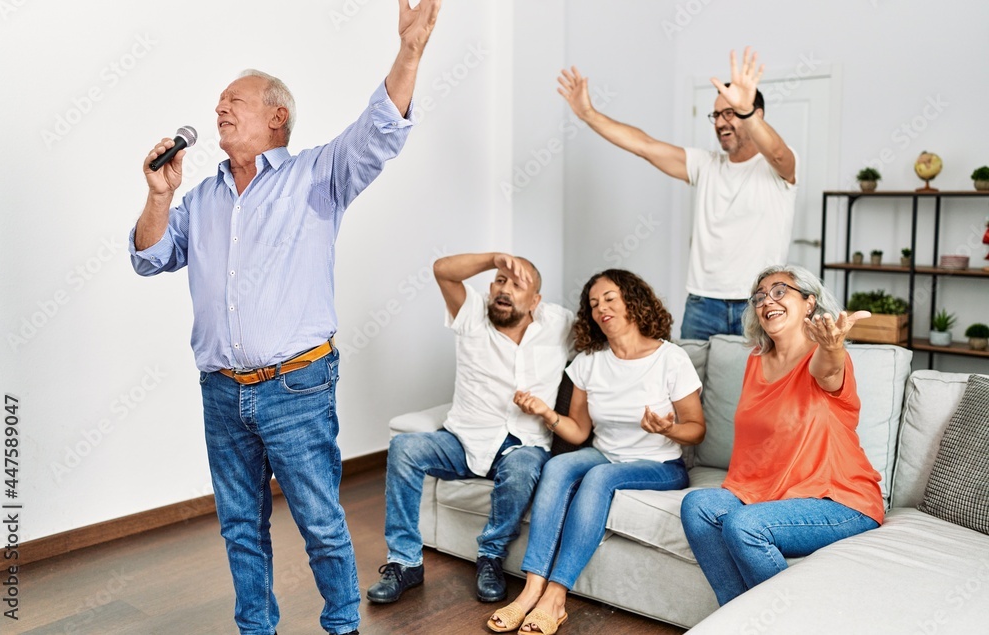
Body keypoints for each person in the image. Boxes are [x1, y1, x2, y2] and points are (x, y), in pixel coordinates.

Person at [127, 0, 448, 634]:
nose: (219, 109)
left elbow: (379, 130)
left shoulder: (317, 175)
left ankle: (342, 626)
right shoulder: (203, 199)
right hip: (222, 391)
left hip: (296, 386)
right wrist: (158, 193)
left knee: (321, 523)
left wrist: (410, 50)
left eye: (233, 100)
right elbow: (149, 256)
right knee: (241, 531)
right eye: (216, 102)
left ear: (276, 116)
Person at [488, 269, 705, 634]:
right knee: (558, 467)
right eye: (593, 304)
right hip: (605, 452)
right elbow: (579, 432)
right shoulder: (589, 362)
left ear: (633, 302)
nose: (600, 308)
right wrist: (546, 413)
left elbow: (696, 431)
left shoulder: (671, 358)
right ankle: (530, 591)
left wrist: (669, 428)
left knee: (598, 477)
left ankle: (555, 598)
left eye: (609, 299)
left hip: (659, 463)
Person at [366, 253, 575, 606]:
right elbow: (442, 271)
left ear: (536, 300)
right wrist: (495, 258)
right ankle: (404, 563)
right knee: (405, 448)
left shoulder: (559, 323)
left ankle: (490, 557)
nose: (504, 289)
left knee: (523, 467)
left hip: (523, 444)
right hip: (463, 441)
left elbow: (611, 333)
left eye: (516, 283)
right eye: (499, 281)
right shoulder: (472, 315)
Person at [557, 47, 799, 340]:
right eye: (717, 115)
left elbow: (776, 151)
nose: (721, 122)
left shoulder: (778, 168)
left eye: (730, 113)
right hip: (702, 303)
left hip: (758, 302)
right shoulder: (705, 165)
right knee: (689, 385)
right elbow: (644, 146)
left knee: (754, 384)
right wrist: (588, 114)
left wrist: (745, 111)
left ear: (755, 114)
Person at [680, 265, 883, 607]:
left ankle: (788, 621)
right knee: (698, 506)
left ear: (809, 303)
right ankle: (738, 620)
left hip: (841, 501)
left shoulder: (826, 356)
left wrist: (833, 345)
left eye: (779, 291)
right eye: (759, 296)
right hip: (774, 496)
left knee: (745, 526)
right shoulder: (756, 360)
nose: (767, 301)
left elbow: (828, 369)